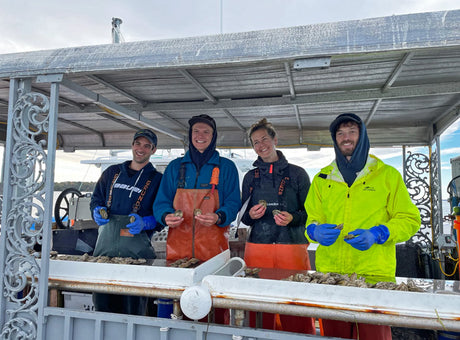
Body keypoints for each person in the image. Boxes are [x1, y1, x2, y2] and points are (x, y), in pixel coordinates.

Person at [304, 113, 421, 340]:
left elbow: (410, 219)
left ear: (363, 136)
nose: (345, 138)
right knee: (334, 335)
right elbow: (311, 219)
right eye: (340, 133)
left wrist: (379, 233)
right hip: (331, 276)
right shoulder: (322, 179)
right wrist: (314, 231)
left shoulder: (387, 175)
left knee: (374, 335)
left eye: (351, 132)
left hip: (374, 276)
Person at [240, 118, 315, 334]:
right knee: (259, 306)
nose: (261, 145)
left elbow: (310, 214)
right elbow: (243, 218)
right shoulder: (250, 177)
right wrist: (251, 215)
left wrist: (293, 218)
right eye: (255, 142)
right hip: (258, 249)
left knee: (296, 304)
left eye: (264, 139)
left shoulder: (298, 173)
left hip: (291, 247)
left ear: (275, 140)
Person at [90, 128, 163, 315]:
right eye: (138, 143)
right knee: (102, 309)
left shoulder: (157, 180)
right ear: (132, 145)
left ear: (153, 150)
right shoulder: (112, 172)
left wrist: (147, 222)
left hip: (137, 260)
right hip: (104, 257)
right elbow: (96, 199)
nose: (141, 148)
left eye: (147, 146)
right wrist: (96, 210)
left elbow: (163, 214)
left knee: (133, 312)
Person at [153, 114, 241, 262]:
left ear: (213, 136)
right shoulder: (175, 167)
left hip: (214, 251)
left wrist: (219, 217)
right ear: (190, 134)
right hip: (178, 252)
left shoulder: (227, 167)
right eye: (196, 131)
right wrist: (165, 215)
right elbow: (161, 201)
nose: (200, 135)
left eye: (206, 131)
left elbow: (233, 202)